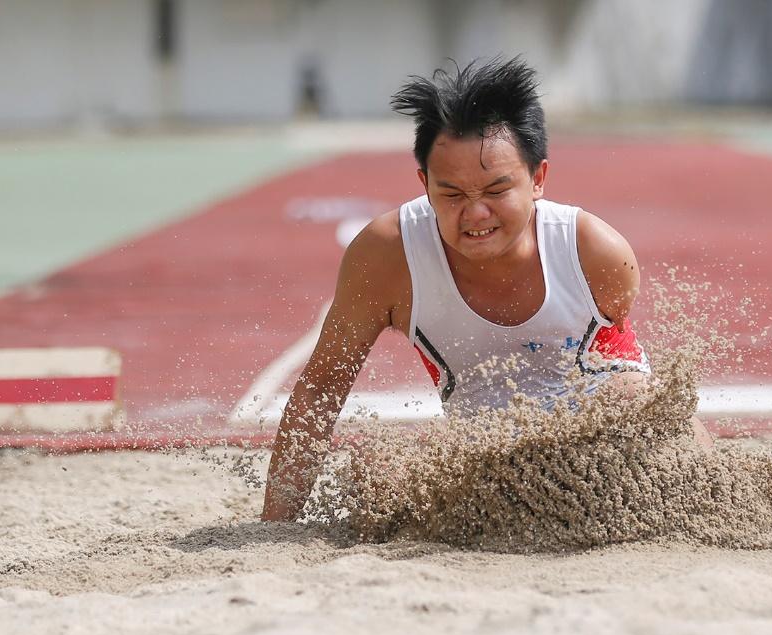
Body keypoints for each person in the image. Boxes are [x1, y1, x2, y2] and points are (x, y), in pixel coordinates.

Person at [262, 57, 695, 523]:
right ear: (424, 185)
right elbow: (321, 389)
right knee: (374, 470)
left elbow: (647, 392)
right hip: (486, 468)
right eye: (452, 196)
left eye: (495, 190)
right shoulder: (387, 257)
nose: (476, 214)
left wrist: (709, 487)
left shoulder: (595, 251)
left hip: (598, 460)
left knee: (633, 398)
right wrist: (275, 527)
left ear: (538, 180)